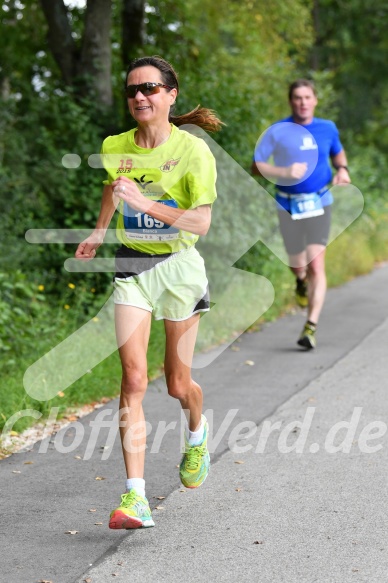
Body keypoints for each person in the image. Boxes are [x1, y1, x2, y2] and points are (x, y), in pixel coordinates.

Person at [75, 55, 222, 529]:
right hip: (133, 266)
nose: (140, 96)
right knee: (134, 380)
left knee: (178, 384)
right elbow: (110, 188)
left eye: (150, 89)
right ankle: (135, 496)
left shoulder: (194, 152)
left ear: (170, 95)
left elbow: (201, 222)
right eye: (133, 90)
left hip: (179, 267)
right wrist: (99, 231)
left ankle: (197, 434)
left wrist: (145, 203)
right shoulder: (115, 144)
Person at [252, 79, 351, 349]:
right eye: (297, 97)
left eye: (307, 97)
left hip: (319, 202)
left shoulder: (327, 128)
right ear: (290, 101)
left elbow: (338, 156)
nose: (303, 102)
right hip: (287, 204)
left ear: (315, 100)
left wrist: (342, 170)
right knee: (298, 264)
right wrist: (283, 173)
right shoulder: (278, 131)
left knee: (316, 263)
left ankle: (311, 326)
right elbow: (256, 166)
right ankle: (299, 281)